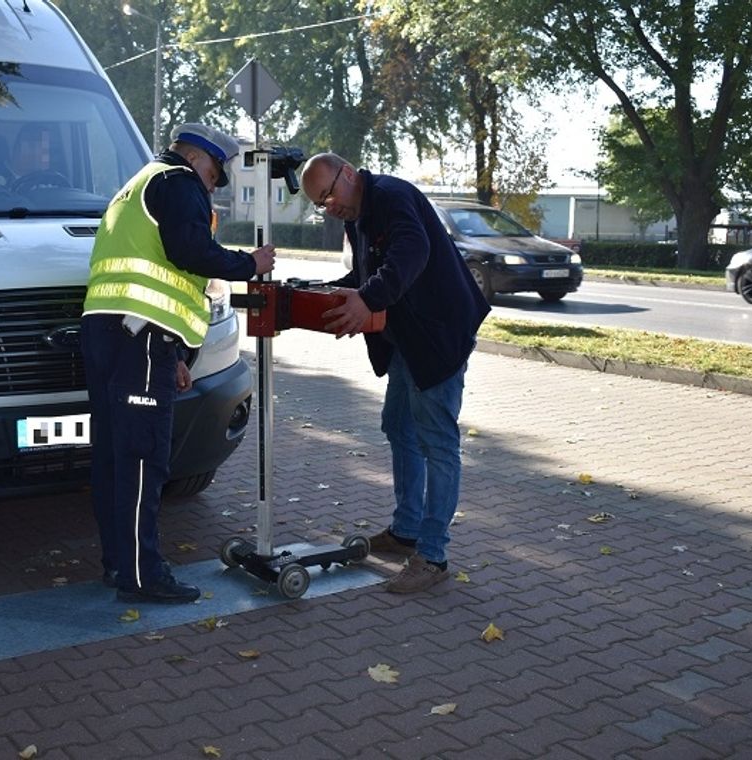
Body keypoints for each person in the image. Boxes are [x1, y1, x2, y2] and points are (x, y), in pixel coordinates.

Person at [82, 123, 276, 604]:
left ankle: (120, 564)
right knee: (144, 458)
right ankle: (144, 574)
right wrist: (251, 264)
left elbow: (150, 273)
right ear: (201, 159)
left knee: (114, 456)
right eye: (216, 177)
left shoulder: (138, 185)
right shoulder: (178, 182)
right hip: (139, 340)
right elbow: (189, 252)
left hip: (115, 336)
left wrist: (175, 353)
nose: (213, 188)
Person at [300, 152, 490, 594]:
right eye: (320, 204)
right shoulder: (358, 212)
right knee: (398, 426)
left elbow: (412, 251)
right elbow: (372, 270)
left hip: (439, 334)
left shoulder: (390, 196)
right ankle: (405, 532)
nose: (330, 208)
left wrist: (367, 298)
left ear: (348, 173)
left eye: (329, 195)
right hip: (407, 336)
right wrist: (332, 291)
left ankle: (433, 555)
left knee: (437, 440)